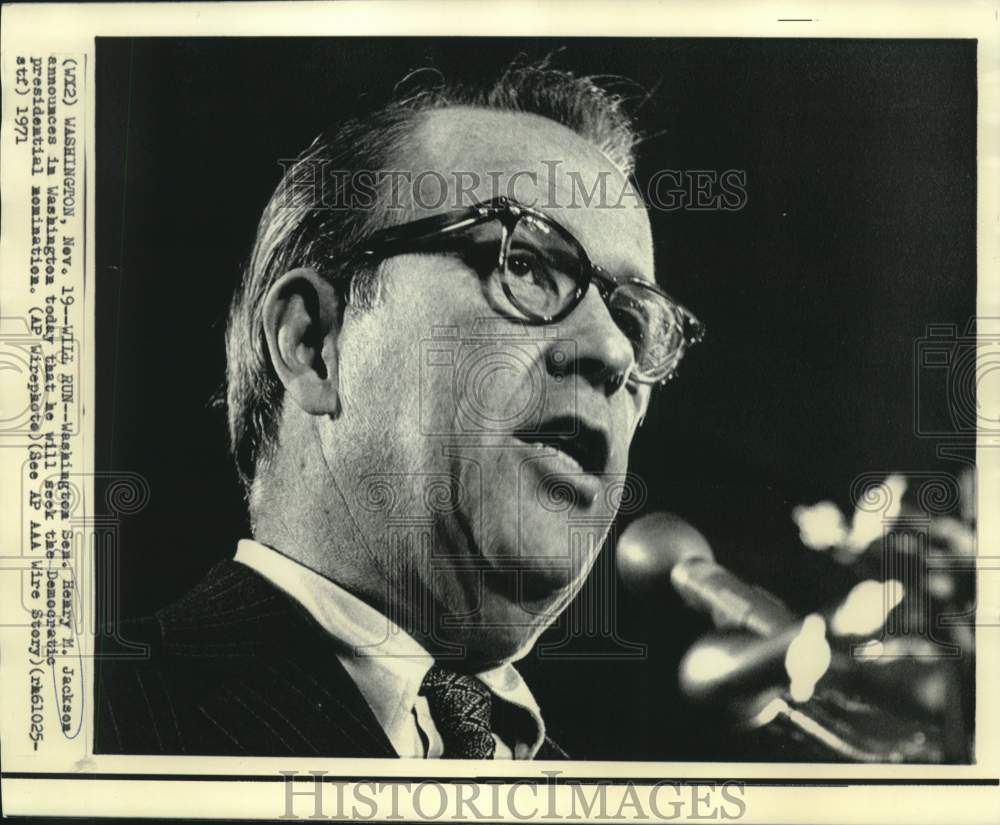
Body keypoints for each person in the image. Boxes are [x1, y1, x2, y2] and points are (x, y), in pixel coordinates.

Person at [95, 60, 703, 759]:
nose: (610, 349)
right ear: (313, 344)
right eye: (528, 264)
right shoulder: (90, 718)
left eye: (632, 318)